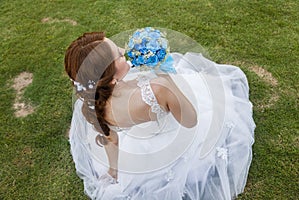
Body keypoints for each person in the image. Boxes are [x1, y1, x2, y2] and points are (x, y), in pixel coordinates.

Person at [64, 29, 255, 200]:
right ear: (110, 78)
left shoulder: (94, 104)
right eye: (119, 55)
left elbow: (112, 140)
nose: (124, 51)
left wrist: (113, 170)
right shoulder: (158, 90)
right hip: (174, 139)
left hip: (139, 146)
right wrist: (166, 78)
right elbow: (191, 121)